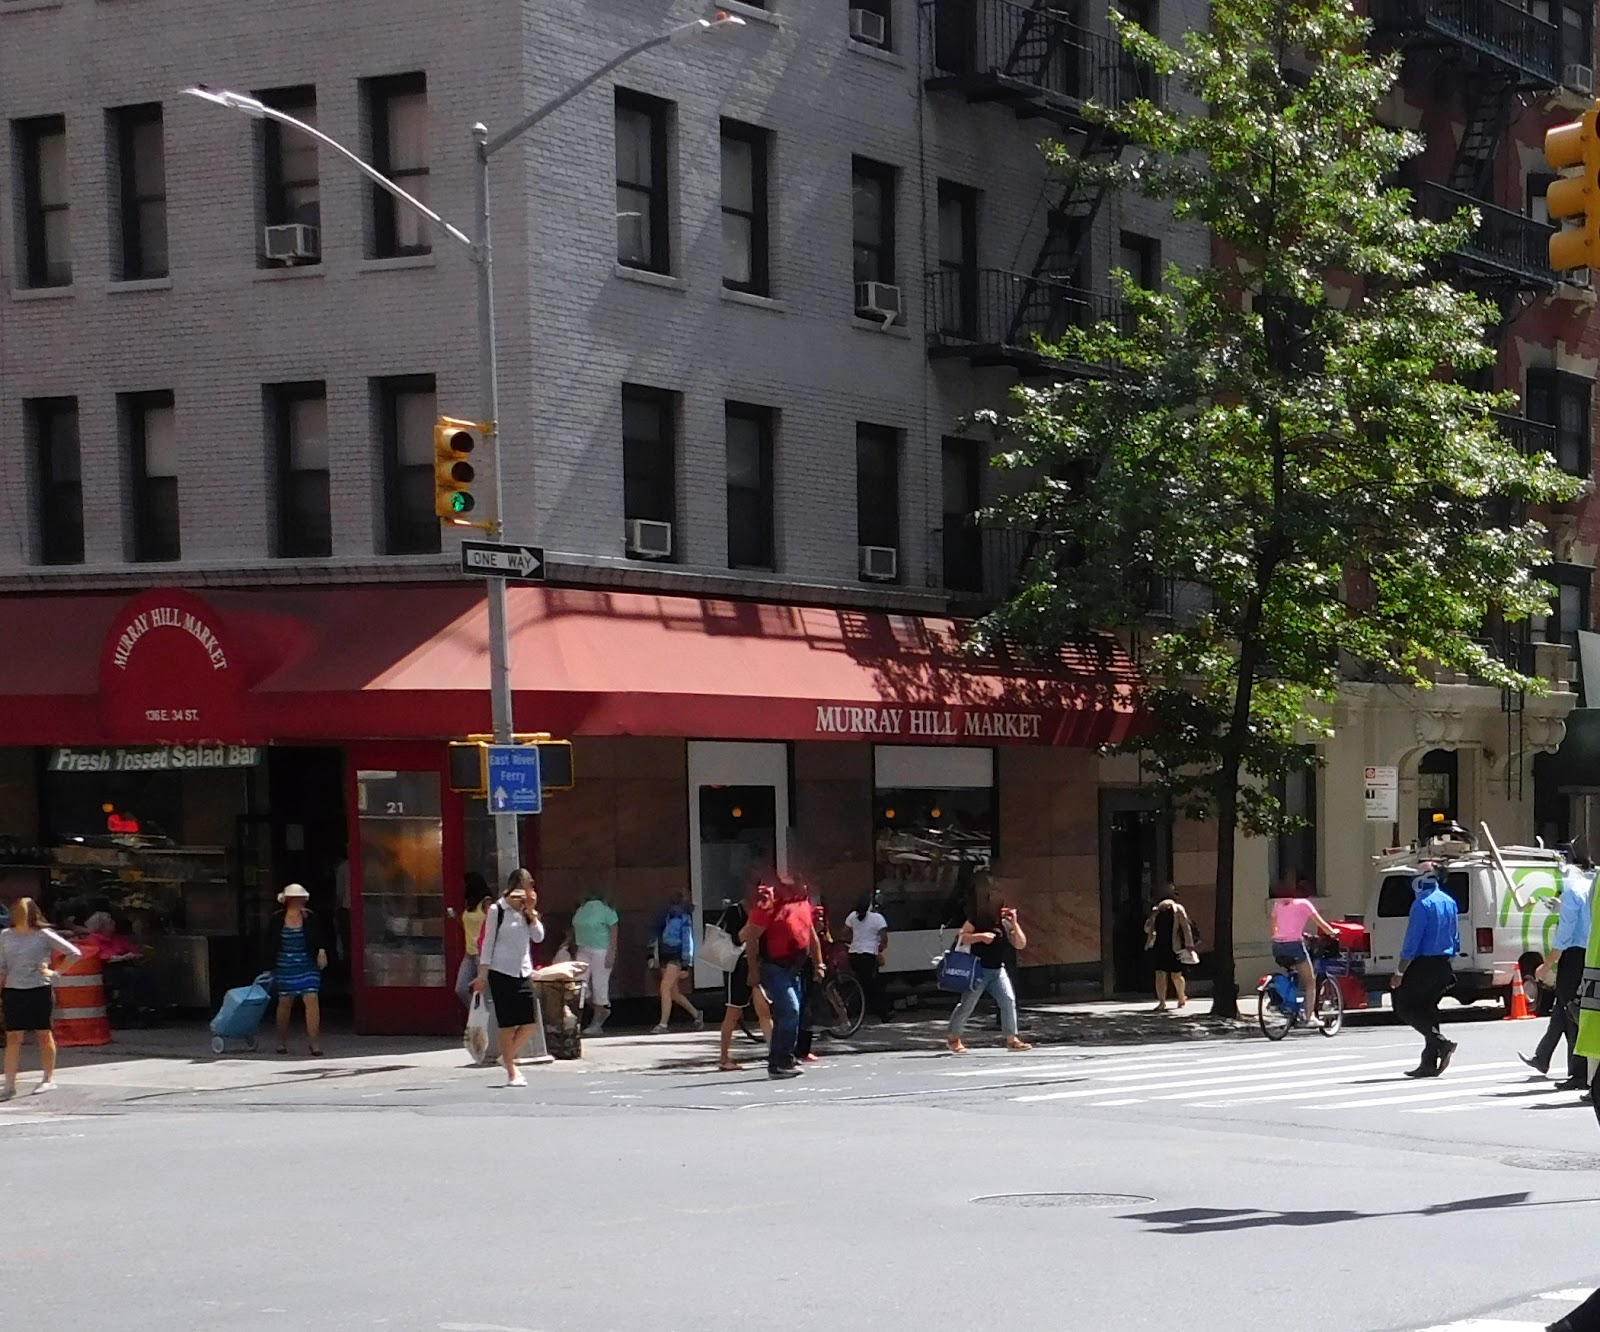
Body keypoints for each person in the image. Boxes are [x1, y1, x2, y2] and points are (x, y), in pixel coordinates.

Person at [1521, 851, 1593, 1091]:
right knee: (1566, 1008)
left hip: (1574, 956)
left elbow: (1565, 935)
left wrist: (1546, 965)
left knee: (1570, 1010)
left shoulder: (1572, 890)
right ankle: (1543, 1057)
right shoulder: (1589, 885)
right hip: (1589, 953)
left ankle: (1578, 1072)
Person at [0, 897, 81, 1100]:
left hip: (39, 988)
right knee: (13, 1037)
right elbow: (2, 966)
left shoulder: (43, 934)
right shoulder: (5, 935)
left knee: (44, 1034)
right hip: (13, 990)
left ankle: (48, 1079)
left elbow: (73, 952)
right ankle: (10, 1084)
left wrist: (55, 972)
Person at [473, 869, 546, 1086]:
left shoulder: (525, 911)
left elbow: (539, 937)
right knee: (507, 1024)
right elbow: (487, 943)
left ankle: (507, 1057)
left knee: (530, 1022)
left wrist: (531, 913)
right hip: (501, 971)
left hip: (523, 969)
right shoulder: (498, 910)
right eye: (525, 887)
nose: (528, 892)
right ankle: (511, 1069)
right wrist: (482, 975)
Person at [746, 877, 825, 1078]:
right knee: (791, 1010)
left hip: (794, 967)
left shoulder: (802, 902)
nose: (805, 883)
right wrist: (753, 970)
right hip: (774, 966)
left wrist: (819, 963)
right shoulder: (770, 902)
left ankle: (779, 1060)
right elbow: (752, 936)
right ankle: (782, 1060)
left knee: (789, 1014)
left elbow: (810, 933)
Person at [1389, 867, 1461, 1078]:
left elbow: (1412, 942)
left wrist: (1400, 972)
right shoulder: (1449, 901)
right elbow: (1456, 936)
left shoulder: (1421, 904)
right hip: (1443, 963)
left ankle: (1440, 1042)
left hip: (1424, 964)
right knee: (1428, 1009)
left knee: (1404, 1006)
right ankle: (1428, 1062)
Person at [948, 876, 1033, 1054]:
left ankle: (1012, 1038)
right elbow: (961, 937)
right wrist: (980, 937)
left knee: (1008, 1000)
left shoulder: (1004, 923)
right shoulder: (978, 919)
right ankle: (954, 1037)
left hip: (997, 969)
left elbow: (1020, 944)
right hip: (978, 968)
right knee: (968, 1004)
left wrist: (1015, 923)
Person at [267, 883, 331, 1056]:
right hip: (285, 964)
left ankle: (314, 1043)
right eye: (294, 899)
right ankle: (281, 1042)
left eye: (300, 899)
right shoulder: (277, 919)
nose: (298, 902)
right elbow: (270, 943)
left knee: (311, 998)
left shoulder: (310, 918)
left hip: (307, 963)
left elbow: (320, 938)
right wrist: (268, 966)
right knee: (285, 1002)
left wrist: (322, 951)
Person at [716, 894, 774, 1072]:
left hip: (758, 965)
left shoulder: (765, 910)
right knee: (733, 1012)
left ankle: (775, 1053)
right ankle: (724, 1058)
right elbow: (735, 939)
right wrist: (752, 925)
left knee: (764, 1011)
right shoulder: (735, 911)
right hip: (738, 968)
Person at [1267, 885, 1339, 1025]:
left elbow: (1274, 924)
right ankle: (1309, 1016)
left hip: (1277, 946)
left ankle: (1288, 1002)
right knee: (1310, 982)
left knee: (1293, 971)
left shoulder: (1278, 904)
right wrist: (1332, 932)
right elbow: (1321, 923)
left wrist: (1280, 935)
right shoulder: (1304, 904)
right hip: (1294, 945)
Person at [84, 911, 161, 1024]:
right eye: (110, 922)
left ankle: (149, 1006)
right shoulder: (93, 940)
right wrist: (124, 957)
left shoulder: (116, 938)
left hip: (125, 966)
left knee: (145, 973)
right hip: (108, 969)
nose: (113, 923)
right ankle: (137, 1006)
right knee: (133, 975)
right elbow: (104, 958)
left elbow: (132, 949)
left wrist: (137, 953)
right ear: (101, 926)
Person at [651, 890, 703, 1034]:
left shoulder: (683, 918)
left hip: (675, 955)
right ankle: (696, 1014)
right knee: (674, 992)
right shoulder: (666, 916)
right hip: (664, 954)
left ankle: (663, 1024)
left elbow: (687, 941)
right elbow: (656, 936)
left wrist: (686, 964)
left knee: (665, 988)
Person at [571, 889, 620, 1035]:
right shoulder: (604, 910)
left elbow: (613, 931)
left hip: (599, 949)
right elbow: (614, 931)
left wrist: (612, 952)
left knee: (590, 985)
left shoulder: (582, 911)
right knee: (586, 986)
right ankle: (600, 1013)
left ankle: (596, 1021)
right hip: (590, 949)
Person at [1143, 890, 1199, 1012]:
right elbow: (1147, 929)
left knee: (1176, 975)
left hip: (1174, 947)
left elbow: (1186, 927)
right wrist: (1152, 916)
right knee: (1160, 975)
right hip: (1159, 946)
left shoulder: (1178, 910)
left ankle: (1181, 997)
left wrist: (1189, 945)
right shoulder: (1156, 912)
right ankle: (1162, 1002)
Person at [843, 892, 891, 1024]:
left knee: (861, 982)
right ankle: (881, 1012)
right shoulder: (877, 918)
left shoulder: (852, 916)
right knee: (872, 985)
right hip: (869, 955)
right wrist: (879, 949)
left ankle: (859, 1009)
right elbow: (884, 939)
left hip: (854, 954)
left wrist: (853, 943)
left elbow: (845, 934)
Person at [455, 877, 492, 1011]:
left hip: (480, 954)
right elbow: (467, 925)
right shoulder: (470, 904)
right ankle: (476, 1014)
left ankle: (484, 1020)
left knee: (482, 991)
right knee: (461, 988)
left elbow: (491, 923)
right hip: (469, 953)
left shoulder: (486, 902)